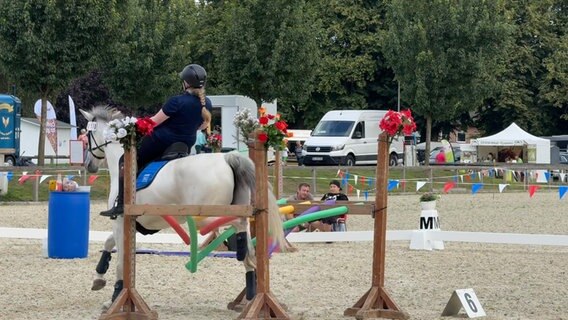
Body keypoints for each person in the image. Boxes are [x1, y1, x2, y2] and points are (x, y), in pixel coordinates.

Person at [100, 63, 213, 217]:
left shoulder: (177, 101)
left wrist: (131, 127)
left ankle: (121, 204)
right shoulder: (207, 103)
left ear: (186, 83)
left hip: (162, 141)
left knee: (124, 160)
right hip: (186, 143)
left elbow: (153, 122)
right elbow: (201, 126)